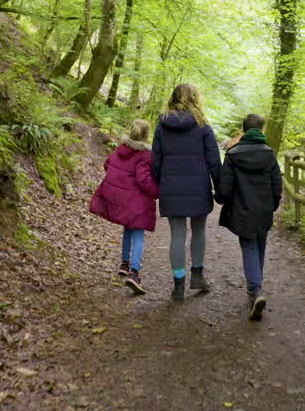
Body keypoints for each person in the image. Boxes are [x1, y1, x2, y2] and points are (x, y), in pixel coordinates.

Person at [152, 83, 221, 300]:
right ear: (195, 99)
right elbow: (214, 161)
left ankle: (178, 285)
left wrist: (159, 184)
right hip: (198, 187)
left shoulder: (162, 126)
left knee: (177, 235)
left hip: (171, 187)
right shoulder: (203, 126)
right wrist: (220, 187)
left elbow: (155, 161)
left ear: (173, 98)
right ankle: (197, 276)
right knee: (199, 231)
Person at [217, 113, 282, 320]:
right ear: (261, 130)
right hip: (263, 209)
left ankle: (255, 290)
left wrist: (220, 199)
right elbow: (276, 185)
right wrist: (272, 205)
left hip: (242, 209)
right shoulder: (269, 154)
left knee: (249, 246)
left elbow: (224, 188)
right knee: (259, 244)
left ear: (244, 130)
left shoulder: (233, 154)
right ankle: (256, 288)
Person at [89, 119, 159, 294]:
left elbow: (107, 165)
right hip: (138, 202)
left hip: (123, 201)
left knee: (127, 230)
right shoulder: (145, 155)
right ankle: (134, 273)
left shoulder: (119, 150)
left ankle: (124, 264)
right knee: (138, 235)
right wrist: (158, 191)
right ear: (146, 135)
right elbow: (143, 180)